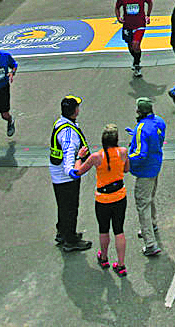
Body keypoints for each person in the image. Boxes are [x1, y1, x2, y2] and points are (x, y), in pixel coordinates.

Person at [75, 124, 130, 276]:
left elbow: (77, 171)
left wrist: (79, 157)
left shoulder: (96, 157)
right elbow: (126, 170)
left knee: (103, 229)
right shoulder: (123, 152)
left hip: (103, 199)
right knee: (119, 230)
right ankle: (121, 264)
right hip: (119, 196)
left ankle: (104, 257)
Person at [50, 94, 92, 252]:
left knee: (63, 206)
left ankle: (62, 232)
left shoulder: (60, 123)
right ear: (75, 111)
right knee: (70, 207)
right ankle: (70, 240)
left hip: (57, 174)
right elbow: (69, 157)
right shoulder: (69, 134)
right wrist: (75, 167)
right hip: (65, 178)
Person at [128, 97, 166, 258]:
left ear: (139, 111)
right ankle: (153, 223)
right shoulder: (159, 121)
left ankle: (150, 243)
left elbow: (140, 154)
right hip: (155, 164)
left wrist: (127, 158)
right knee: (150, 197)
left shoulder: (141, 128)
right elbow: (158, 139)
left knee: (142, 204)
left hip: (144, 171)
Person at [115, 0, 154, 78]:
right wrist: (118, 17)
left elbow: (150, 2)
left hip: (139, 24)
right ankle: (136, 58)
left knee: (136, 44)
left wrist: (148, 15)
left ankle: (137, 65)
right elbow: (117, 7)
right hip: (127, 25)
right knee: (131, 46)